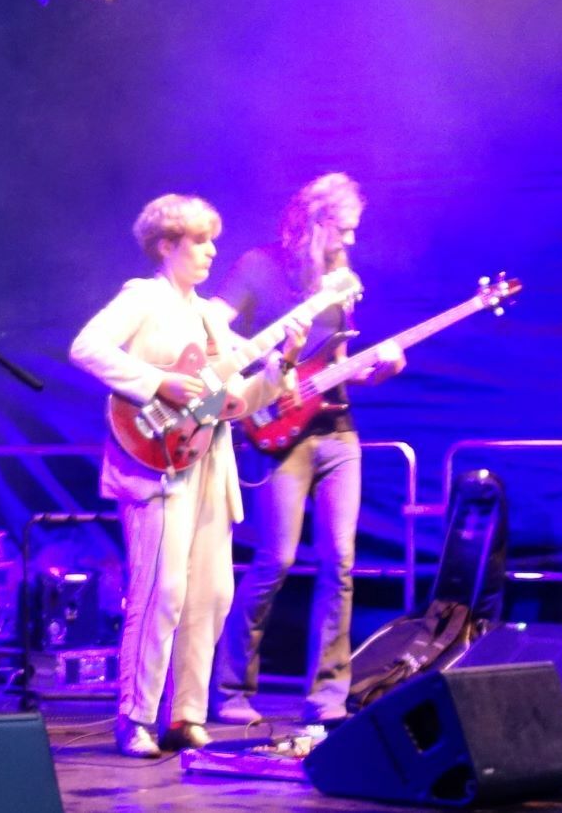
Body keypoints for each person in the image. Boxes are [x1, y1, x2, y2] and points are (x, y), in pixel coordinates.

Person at [70, 193, 300, 758]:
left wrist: (281, 367)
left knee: (211, 594)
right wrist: (156, 382)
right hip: (154, 464)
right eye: (199, 241)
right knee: (161, 592)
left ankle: (187, 715)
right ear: (166, 246)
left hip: (208, 465)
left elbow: (232, 402)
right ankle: (136, 717)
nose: (211, 251)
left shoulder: (209, 319)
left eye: (212, 240)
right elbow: (86, 348)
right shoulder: (142, 297)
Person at [211, 172, 404, 726]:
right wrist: (266, 368)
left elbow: (336, 363)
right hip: (277, 433)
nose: (351, 240)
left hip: (339, 432)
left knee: (340, 562)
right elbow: (213, 331)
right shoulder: (258, 266)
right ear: (316, 223)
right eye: (344, 229)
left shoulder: (343, 280)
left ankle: (327, 696)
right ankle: (229, 690)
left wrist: (379, 367)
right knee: (276, 560)